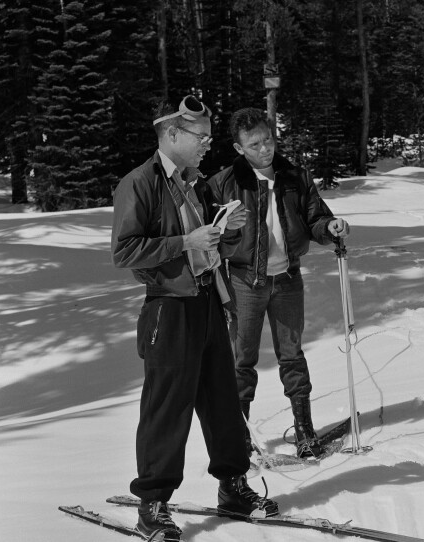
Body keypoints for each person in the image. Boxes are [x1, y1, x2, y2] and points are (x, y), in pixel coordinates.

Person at [111, 96, 278, 541]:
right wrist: (186, 241)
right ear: (171, 134)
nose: (207, 144)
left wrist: (228, 230)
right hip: (167, 307)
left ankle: (233, 487)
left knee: (222, 401)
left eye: (207, 137)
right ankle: (152, 504)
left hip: (206, 300)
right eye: (199, 137)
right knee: (167, 411)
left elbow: (208, 247)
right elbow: (125, 252)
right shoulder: (140, 183)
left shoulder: (197, 184)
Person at [208, 107, 350, 459]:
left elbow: (316, 217)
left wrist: (329, 229)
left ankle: (305, 433)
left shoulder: (294, 176)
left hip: (287, 279)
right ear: (240, 148)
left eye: (268, 139)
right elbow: (212, 237)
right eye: (254, 144)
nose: (264, 149)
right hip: (244, 281)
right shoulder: (224, 183)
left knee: (292, 355)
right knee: (241, 361)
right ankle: (239, 436)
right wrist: (227, 230)